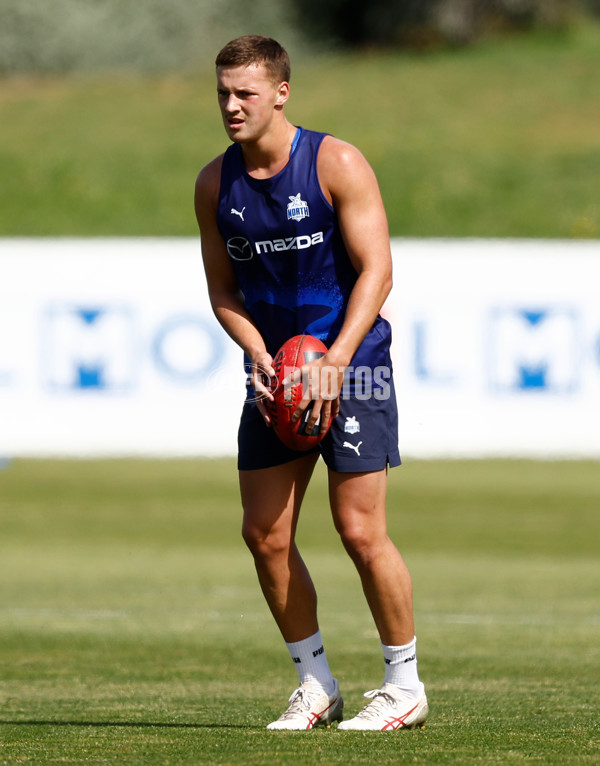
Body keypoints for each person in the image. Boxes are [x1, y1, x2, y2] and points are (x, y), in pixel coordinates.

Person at [194, 34, 428, 731]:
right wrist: (260, 356)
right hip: (274, 378)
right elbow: (222, 291)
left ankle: (405, 684)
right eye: (223, 95)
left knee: (359, 530)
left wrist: (336, 358)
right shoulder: (215, 183)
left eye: (246, 93)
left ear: (281, 92)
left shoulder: (335, 162)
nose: (232, 107)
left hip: (351, 370)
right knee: (263, 534)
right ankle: (316, 683)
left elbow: (378, 272)